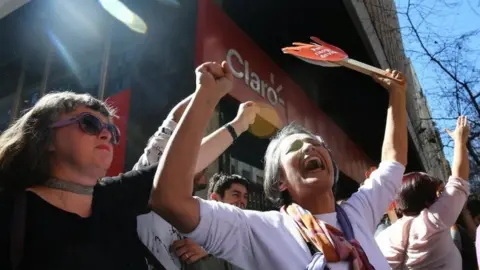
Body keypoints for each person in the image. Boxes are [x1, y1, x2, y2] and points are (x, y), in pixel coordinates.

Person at [150, 60, 408, 269]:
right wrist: (206, 96)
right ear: (280, 180)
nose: (309, 147)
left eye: (315, 143)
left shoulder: (359, 213)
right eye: (294, 148)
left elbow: (393, 161)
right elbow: (170, 199)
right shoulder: (258, 230)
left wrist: (397, 94)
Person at [0, 92, 159, 270]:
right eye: (90, 124)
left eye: (112, 130)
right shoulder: (10, 211)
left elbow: (184, 164)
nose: (106, 134)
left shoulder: (115, 196)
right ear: (46, 138)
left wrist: (198, 93)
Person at [134, 94, 258, 269]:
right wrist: (209, 90)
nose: (242, 202)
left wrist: (209, 247)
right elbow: (175, 120)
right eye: (236, 194)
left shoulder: (192, 217)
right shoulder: (147, 187)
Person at [375, 116, 471, 269]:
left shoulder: (383, 238)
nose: (442, 196)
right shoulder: (434, 221)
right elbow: (459, 182)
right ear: (429, 200)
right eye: (439, 192)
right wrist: (460, 141)